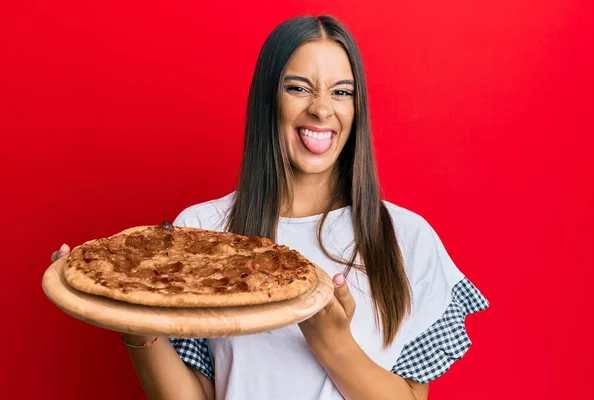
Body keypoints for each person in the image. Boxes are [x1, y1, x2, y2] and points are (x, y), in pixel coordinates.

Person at [51, 15, 488, 400]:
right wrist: (134, 318)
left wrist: (333, 342)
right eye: (298, 87)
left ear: (357, 109)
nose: (321, 108)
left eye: (341, 91)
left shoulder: (406, 237)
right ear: (268, 99)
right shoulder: (199, 234)